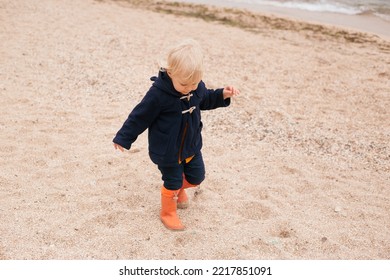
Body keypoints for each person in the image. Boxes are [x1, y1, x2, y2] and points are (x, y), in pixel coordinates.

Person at [113, 38, 240, 231]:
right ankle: (168, 212)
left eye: (194, 84)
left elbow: (204, 99)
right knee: (171, 182)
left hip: (191, 145)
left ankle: (179, 190)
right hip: (167, 151)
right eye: (184, 84)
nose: (190, 88)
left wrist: (222, 94)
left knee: (197, 177)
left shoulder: (195, 87)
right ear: (170, 73)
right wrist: (124, 137)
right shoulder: (158, 94)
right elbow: (139, 116)